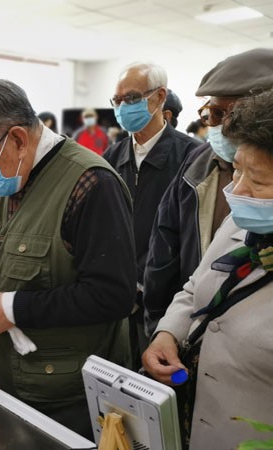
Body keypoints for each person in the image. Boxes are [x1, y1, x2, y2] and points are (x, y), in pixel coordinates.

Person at [0, 78, 136, 439]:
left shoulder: (92, 184)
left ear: (17, 138)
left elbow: (113, 294)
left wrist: (13, 309)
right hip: (15, 380)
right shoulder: (12, 174)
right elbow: (13, 242)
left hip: (69, 396)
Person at [142, 88, 273, 449]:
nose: (236, 191)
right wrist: (168, 333)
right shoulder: (241, 223)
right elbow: (195, 286)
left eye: (257, 180)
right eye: (237, 170)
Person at [143, 48, 273, 337]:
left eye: (233, 114)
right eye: (213, 114)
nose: (222, 126)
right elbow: (165, 247)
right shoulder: (197, 164)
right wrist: (162, 329)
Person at [103, 62, 201, 370]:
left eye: (131, 98)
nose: (123, 107)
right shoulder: (111, 158)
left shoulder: (192, 157)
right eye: (117, 100)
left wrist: (146, 283)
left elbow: (191, 237)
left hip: (168, 304)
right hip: (117, 298)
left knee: (160, 378)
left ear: (159, 98)